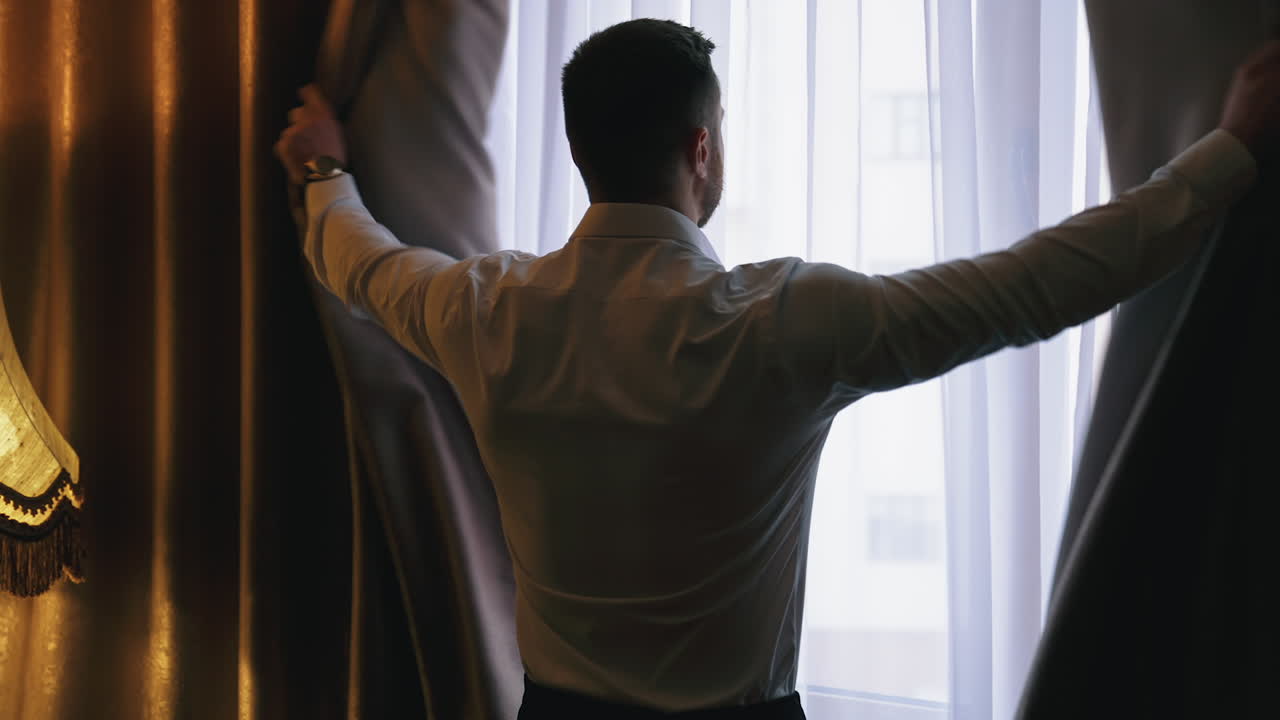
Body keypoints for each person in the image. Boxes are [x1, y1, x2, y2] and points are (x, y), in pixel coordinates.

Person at [276, 19, 1280, 720]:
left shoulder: (478, 311)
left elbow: (357, 261)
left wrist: (324, 169)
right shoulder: (783, 324)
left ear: (579, 151)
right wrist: (1227, 150)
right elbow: (1033, 286)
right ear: (701, 148)